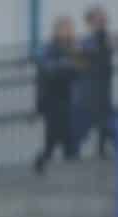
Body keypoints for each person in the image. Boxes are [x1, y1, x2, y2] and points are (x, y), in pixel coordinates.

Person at [34, 16, 84, 174]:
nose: (69, 31)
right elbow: (49, 69)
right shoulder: (49, 48)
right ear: (58, 30)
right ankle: (42, 162)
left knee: (70, 137)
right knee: (53, 138)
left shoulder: (73, 48)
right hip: (53, 100)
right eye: (66, 28)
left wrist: (72, 62)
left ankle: (71, 166)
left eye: (70, 28)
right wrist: (69, 65)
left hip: (70, 99)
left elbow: (82, 67)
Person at [76, 4, 114, 158]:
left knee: (104, 116)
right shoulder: (87, 40)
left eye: (103, 17)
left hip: (104, 84)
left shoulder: (105, 37)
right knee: (95, 117)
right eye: (99, 17)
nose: (103, 19)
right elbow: (80, 61)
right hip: (91, 85)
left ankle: (102, 148)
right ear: (91, 21)